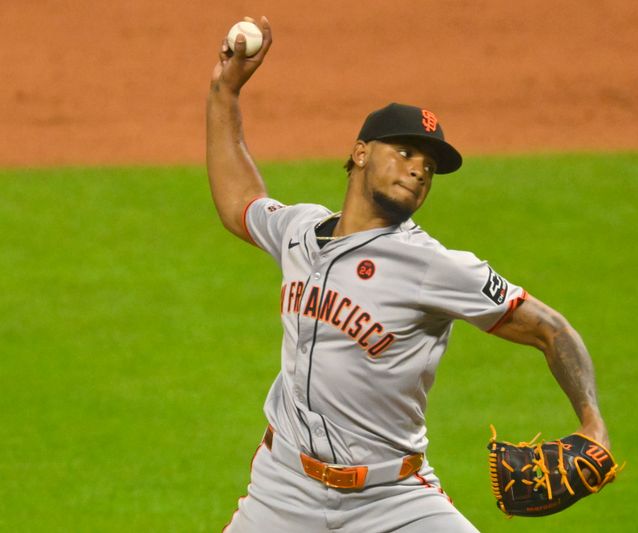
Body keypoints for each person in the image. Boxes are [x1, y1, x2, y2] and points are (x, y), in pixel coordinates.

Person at [208, 16, 611, 533]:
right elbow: (241, 200)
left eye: (429, 164)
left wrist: (593, 424)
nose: (419, 168)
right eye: (404, 152)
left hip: (393, 500)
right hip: (283, 489)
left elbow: (549, 329)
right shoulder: (299, 231)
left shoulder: (433, 266)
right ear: (359, 153)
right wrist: (225, 91)